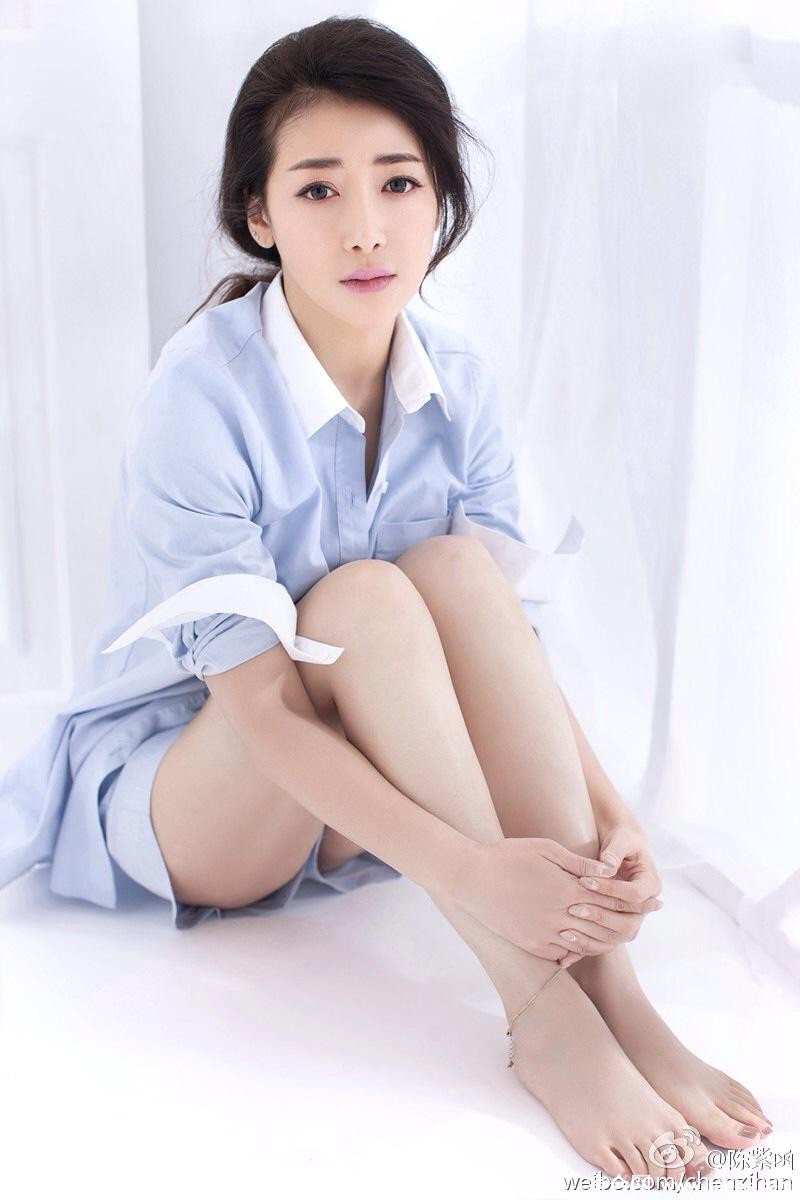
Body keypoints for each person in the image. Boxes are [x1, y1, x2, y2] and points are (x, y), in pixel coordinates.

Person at [0, 15, 770, 1182]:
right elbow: (263, 709)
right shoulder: (201, 393)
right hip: (201, 794)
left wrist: (614, 815)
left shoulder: (456, 377)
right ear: (259, 214)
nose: (365, 226)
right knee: (359, 597)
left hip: (360, 784)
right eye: (317, 190)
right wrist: (469, 873)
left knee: (456, 571)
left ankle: (613, 993)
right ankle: (542, 1015)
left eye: (398, 183)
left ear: (439, 199)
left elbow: (501, 644)